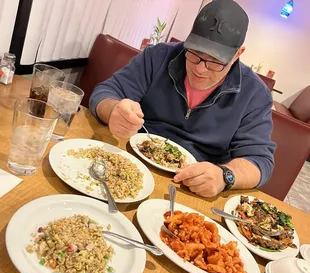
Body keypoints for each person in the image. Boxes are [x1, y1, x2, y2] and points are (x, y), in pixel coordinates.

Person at [89, 0, 276, 198]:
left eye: (215, 61)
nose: (200, 68)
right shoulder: (158, 57)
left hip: (192, 188)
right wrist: (114, 110)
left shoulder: (255, 94)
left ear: (238, 54)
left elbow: (259, 159)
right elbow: (106, 92)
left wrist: (225, 176)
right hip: (129, 162)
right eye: (195, 53)